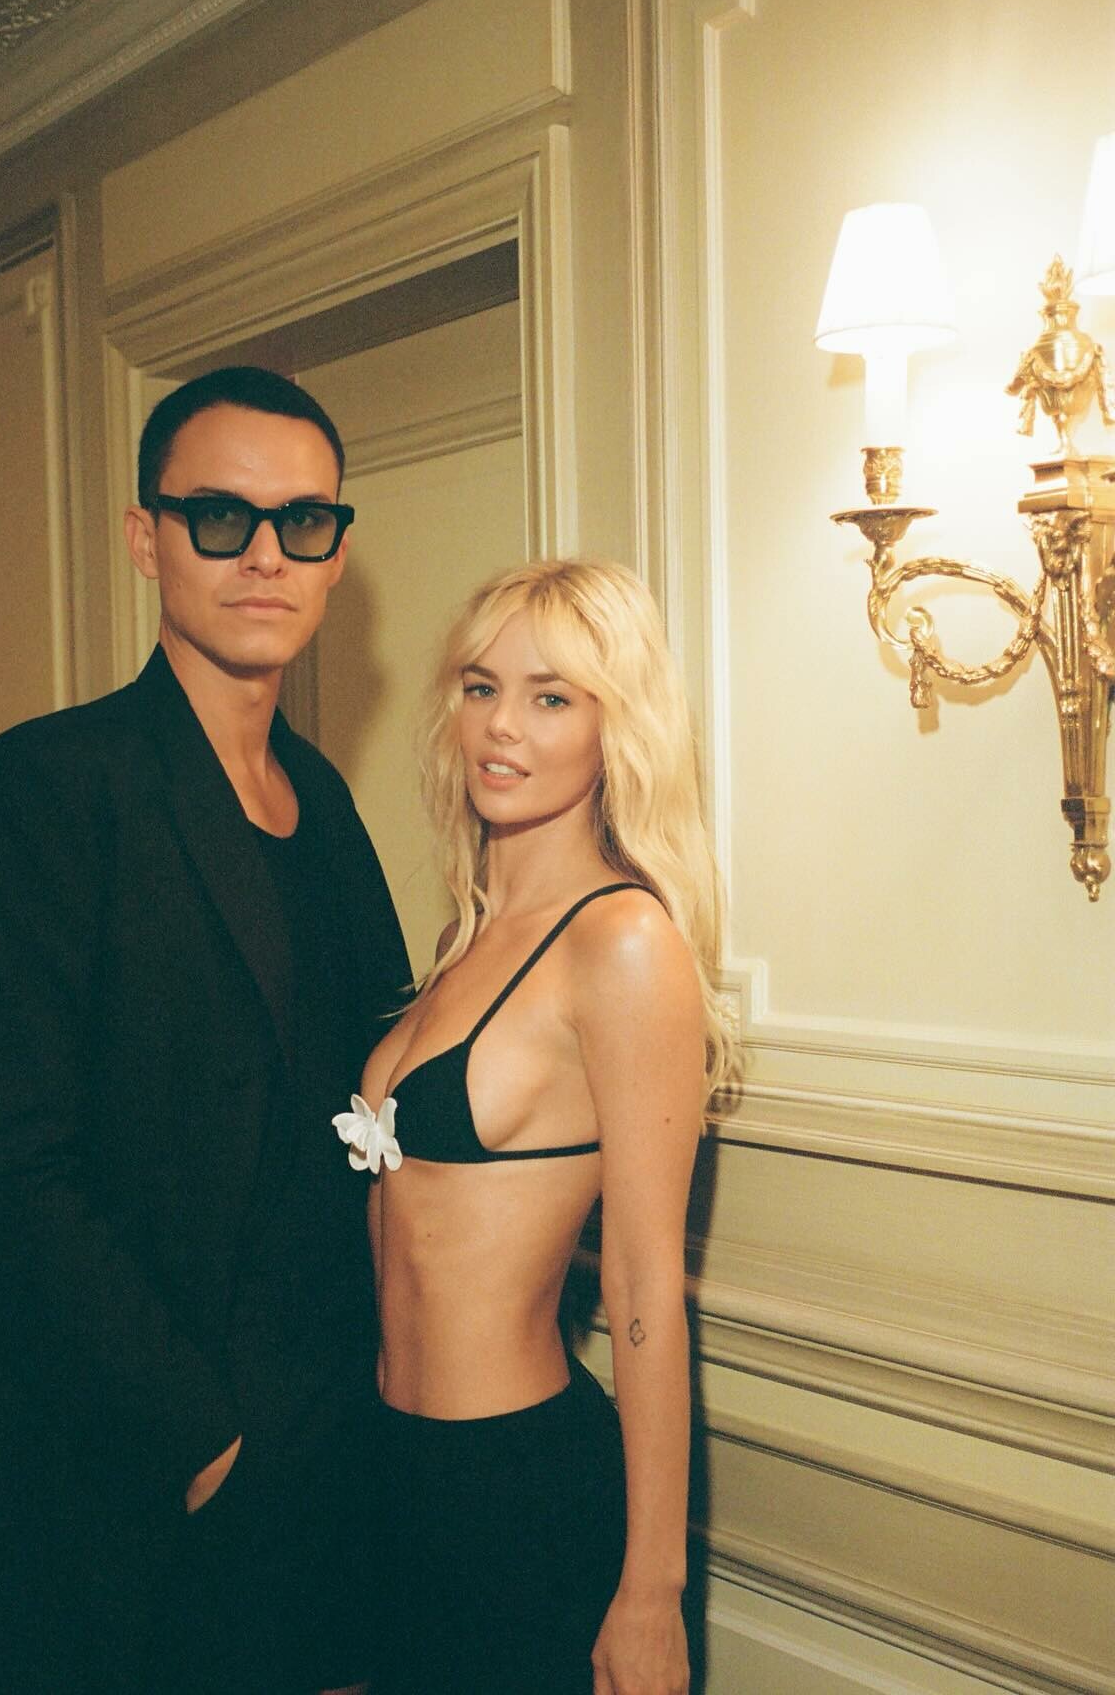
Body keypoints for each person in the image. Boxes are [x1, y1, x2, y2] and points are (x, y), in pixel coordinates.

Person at [0, 366, 410, 1695]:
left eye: (304, 522)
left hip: (319, 1437)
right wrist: (203, 1444)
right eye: (220, 517)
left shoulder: (327, 806)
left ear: (335, 553)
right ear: (147, 538)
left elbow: (369, 1105)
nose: (266, 555)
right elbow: (9, 1176)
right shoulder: (36, 791)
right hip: (131, 1469)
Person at [335, 558, 734, 1695]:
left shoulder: (623, 943)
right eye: (481, 687)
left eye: (551, 697)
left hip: (512, 1486)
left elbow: (646, 1284)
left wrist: (651, 1590)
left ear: (618, 729)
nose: (501, 726)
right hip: (391, 1463)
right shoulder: (468, 933)